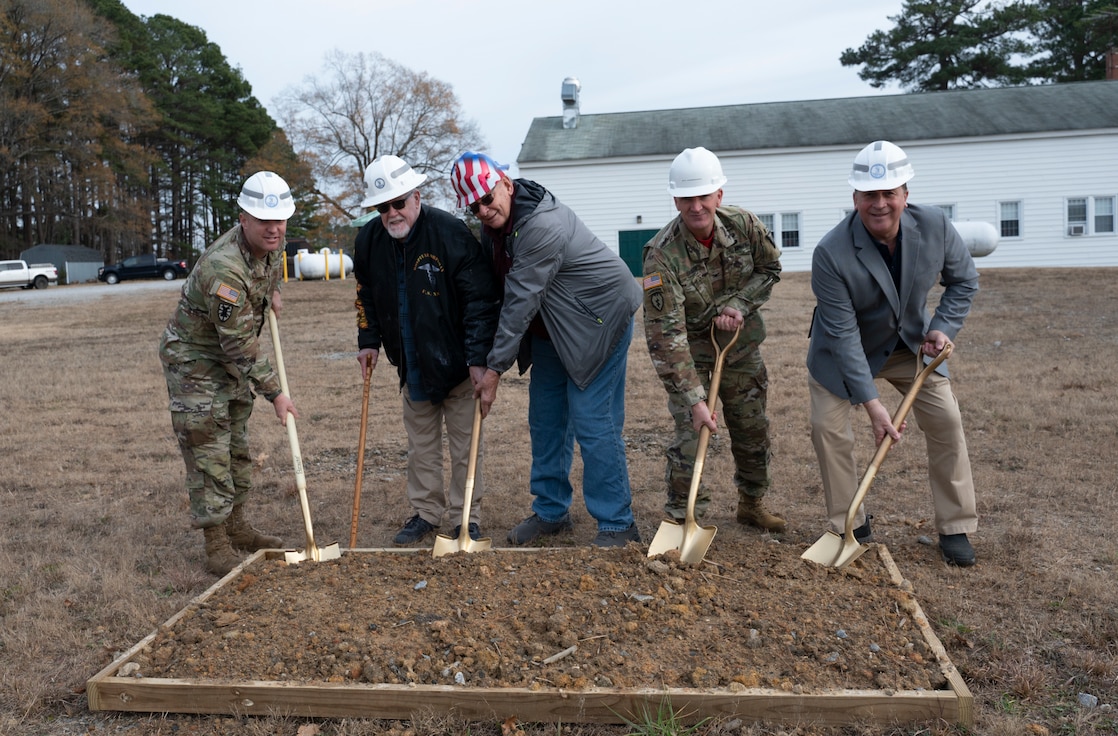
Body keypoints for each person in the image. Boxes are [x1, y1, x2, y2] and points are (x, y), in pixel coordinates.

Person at [450, 151, 643, 548]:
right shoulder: (497, 231)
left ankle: (617, 524)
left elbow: (519, 302)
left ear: (505, 183)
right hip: (554, 328)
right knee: (546, 419)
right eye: (474, 207)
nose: (483, 210)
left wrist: (494, 371)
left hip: (598, 320)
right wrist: (479, 358)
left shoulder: (542, 226)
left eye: (488, 198)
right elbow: (495, 298)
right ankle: (552, 513)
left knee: (593, 420)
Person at [807, 140, 980, 567]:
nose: (880, 203)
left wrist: (941, 327)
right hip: (842, 354)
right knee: (829, 432)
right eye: (870, 194)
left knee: (946, 419)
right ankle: (850, 522)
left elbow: (963, 282)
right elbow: (844, 335)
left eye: (890, 193)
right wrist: (873, 405)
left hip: (908, 346)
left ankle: (955, 526)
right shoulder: (831, 253)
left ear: (905, 194)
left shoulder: (936, 225)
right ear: (855, 199)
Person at [353, 155, 500, 546]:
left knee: (467, 446)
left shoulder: (450, 233)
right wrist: (367, 341)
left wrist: (478, 359)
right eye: (382, 207)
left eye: (399, 203)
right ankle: (426, 513)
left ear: (416, 197)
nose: (392, 213)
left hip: (458, 365)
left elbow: (480, 301)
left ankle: (465, 517)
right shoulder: (368, 241)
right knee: (421, 447)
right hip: (412, 364)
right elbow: (364, 294)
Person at [160, 171, 298, 576]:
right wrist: (276, 393)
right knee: (209, 448)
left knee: (236, 443)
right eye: (263, 221)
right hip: (196, 360)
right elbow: (238, 345)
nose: (274, 229)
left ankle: (237, 526)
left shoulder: (274, 241)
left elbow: (271, 268)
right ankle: (216, 543)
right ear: (243, 218)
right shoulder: (224, 270)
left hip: (229, 358)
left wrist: (272, 290)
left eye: (279, 221)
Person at [642, 147, 786, 533]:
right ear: (676, 199)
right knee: (691, 435)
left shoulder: (744, 226)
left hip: (740, 350)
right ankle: (681, 516)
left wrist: (740, 303)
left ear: (718, 195)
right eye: (687, 198)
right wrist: (693, 399)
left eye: (704, 196)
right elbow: (663, 334)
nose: (696, 207)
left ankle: (752, 503)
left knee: (752, 430)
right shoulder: (662, 255)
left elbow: (770, 268)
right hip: (690, 358)